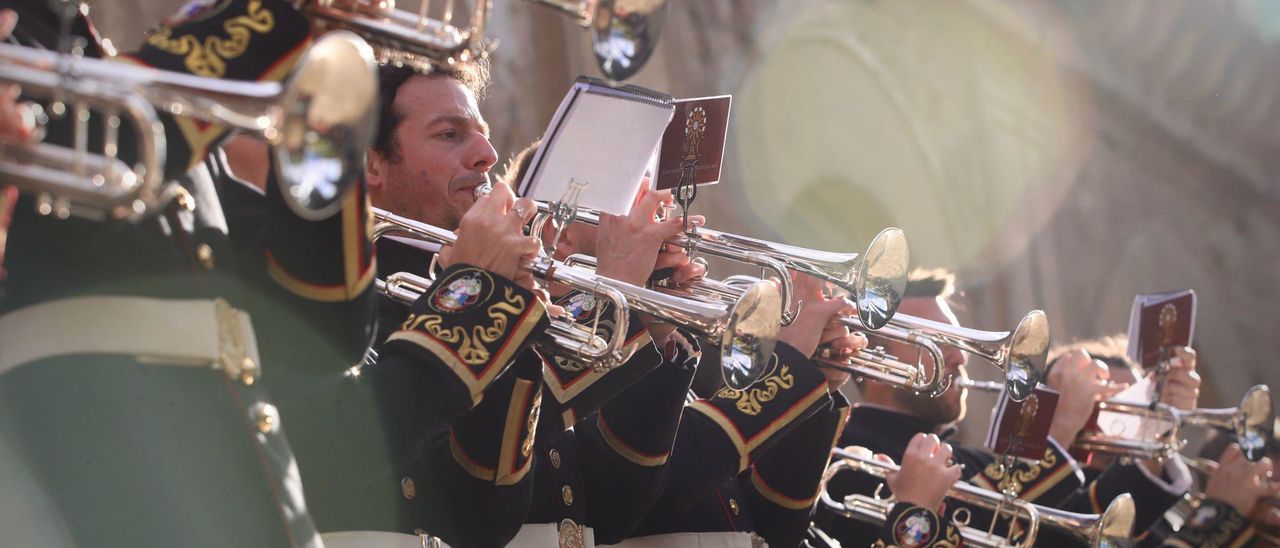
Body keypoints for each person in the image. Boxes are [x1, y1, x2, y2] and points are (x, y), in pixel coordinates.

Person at [0, 1, 376, 545]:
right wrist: (264, 21)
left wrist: (323, 95)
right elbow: (88, 171)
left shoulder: (100, 59)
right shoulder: (27, 42)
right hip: (80, 459)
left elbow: (323, 329)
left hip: (233, 474)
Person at [814, 268, 1199, 545]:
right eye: (940, 343)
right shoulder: (844, 448)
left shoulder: (973, 463)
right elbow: (970, 529)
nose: (960, 358)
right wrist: (1059, 427)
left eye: (960, 343)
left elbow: (1078, 531)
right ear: (878, 359)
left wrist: (1154, 435)